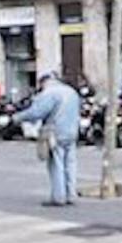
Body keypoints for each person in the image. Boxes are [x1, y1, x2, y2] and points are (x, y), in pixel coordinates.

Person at [14, 72, 81, 207]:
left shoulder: (49, 93)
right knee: (70, 164)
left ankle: (59, 197)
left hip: (55, 132)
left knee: (56, 164)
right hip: (72, 132)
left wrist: (18, 117)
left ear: (43, 82)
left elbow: (37, 112)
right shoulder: (71, 92)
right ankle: (71, 195)